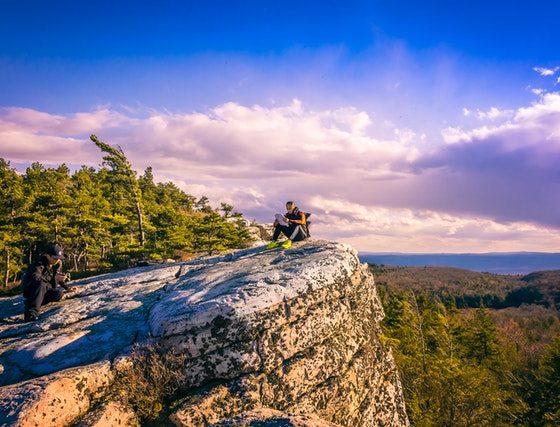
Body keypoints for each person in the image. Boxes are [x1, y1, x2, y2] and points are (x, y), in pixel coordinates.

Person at [22, 244, 75, 322]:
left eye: (59, 258)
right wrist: (53, 278)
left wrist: (67, 287)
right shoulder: (38, 264)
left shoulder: (56, 264)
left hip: (44, 290)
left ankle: (35, 302)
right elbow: (36, 278)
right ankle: (31, 314)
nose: (57, 260)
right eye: (55, 258)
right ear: (48, 255)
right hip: (33, 291)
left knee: (58, 294)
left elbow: (57, 276)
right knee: (41, 284)